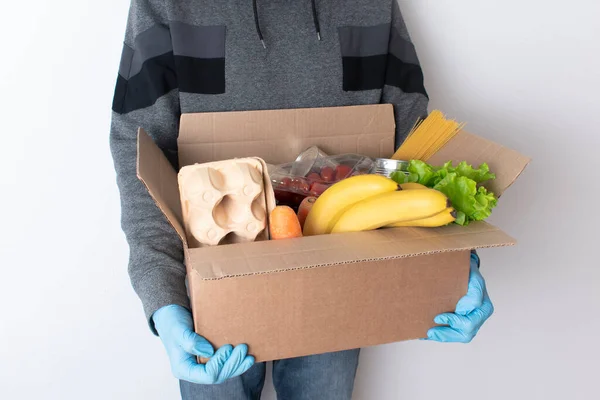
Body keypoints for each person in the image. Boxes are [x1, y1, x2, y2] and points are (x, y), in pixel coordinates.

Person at [109, 0, 494, 398]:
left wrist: (456, 264)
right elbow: (140, 153)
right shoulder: (168, 5)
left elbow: (413, 149)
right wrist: (164, 299)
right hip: (211, 278)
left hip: (338, 269)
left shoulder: (370, 5)